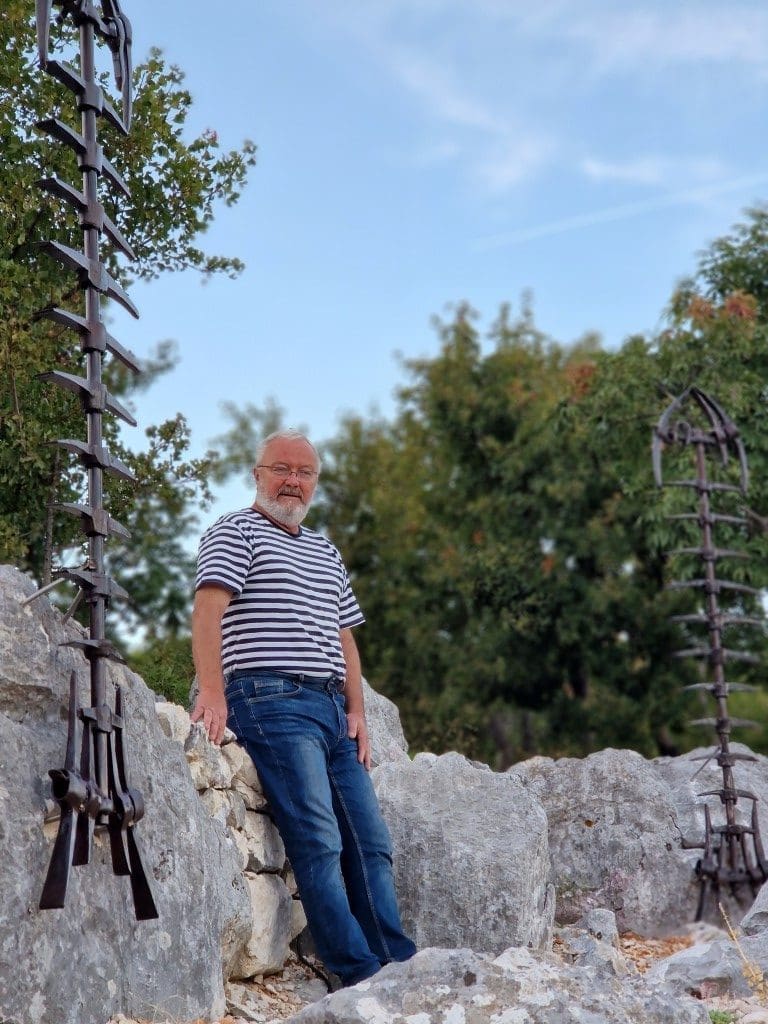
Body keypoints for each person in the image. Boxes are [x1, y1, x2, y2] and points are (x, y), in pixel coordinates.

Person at [190, 428, 416, 987]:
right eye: (281, 469)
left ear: (315, 482)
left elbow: (345, 639)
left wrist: (357, 712)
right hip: (270, 700)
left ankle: (399, 972)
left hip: (333, 711)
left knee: (371, 844)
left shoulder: (324, 550)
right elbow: (208, 612)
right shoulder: (235, 530)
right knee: (319, 840)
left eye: (304, 472)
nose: (293, 481)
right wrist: (212, 692)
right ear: (258, 475)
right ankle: (359, 975)